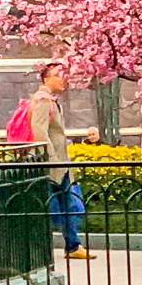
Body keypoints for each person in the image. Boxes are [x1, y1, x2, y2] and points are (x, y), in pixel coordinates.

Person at [28, 63, 98, 259]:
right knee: (54, 206)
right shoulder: (42, 100)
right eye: (58, 75)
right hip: (54, 165)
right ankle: (58, 246)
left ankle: (73, 245)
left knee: (68, 204)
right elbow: (40, 133)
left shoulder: (50, 100)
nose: (63, 79)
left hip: (61, 165)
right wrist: (52, 160)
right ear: (46, 79)